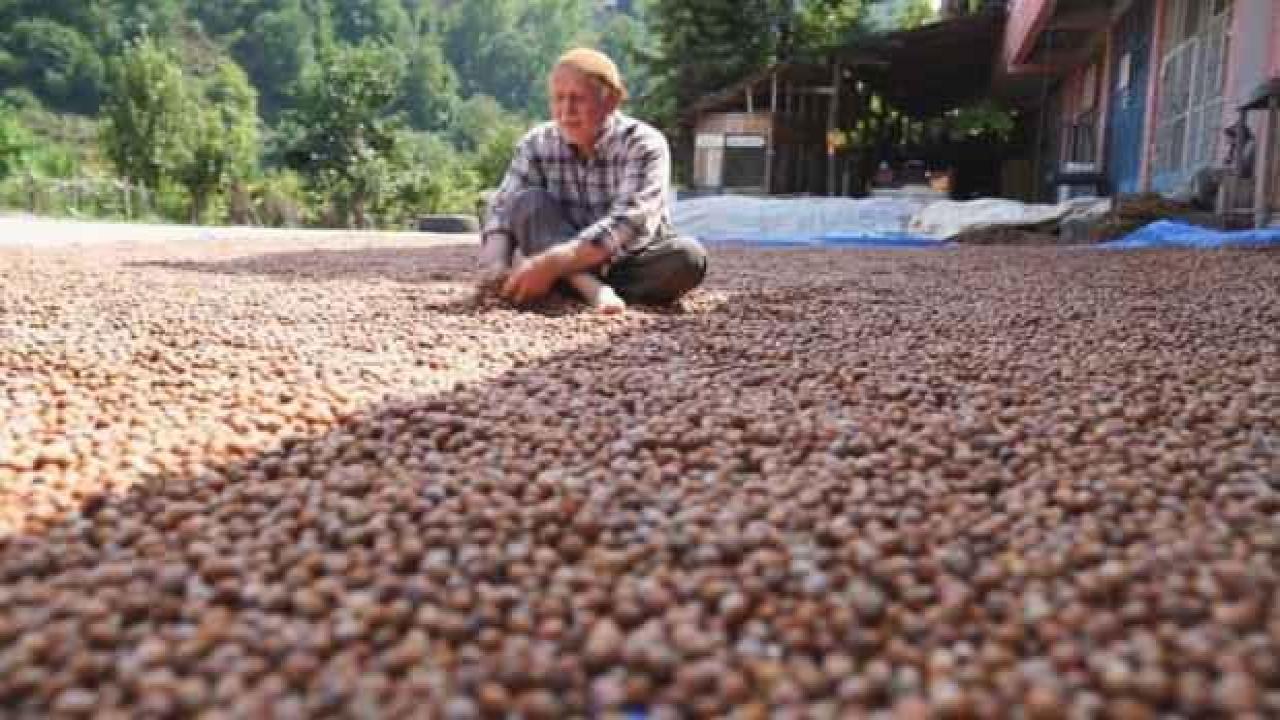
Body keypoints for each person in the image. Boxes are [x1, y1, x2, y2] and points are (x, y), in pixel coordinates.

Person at [478, 48, 707, 313]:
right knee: (526, 203)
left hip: (626, 261)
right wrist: (494, 268)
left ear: (611, 100)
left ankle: (561, 283)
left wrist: (553, 264)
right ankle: (588, 287)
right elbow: (504, 207)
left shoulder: (644, 143)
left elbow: (629, 220)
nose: (566, 111)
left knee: (688, 258)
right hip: (554, 248)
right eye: (558, 99)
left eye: (577, 99)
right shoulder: (537, 142)